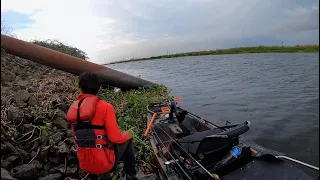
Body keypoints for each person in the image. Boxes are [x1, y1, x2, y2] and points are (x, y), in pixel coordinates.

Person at [66, 72, 137, 180]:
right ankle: (131, 174)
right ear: (99, 88)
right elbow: (116, 138)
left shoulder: (73, 108)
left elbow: (76, 139)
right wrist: (128, 134)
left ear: (80, 88)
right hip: (105, 164)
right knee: (127, 137)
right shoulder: (106, 107)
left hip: (84, 165)